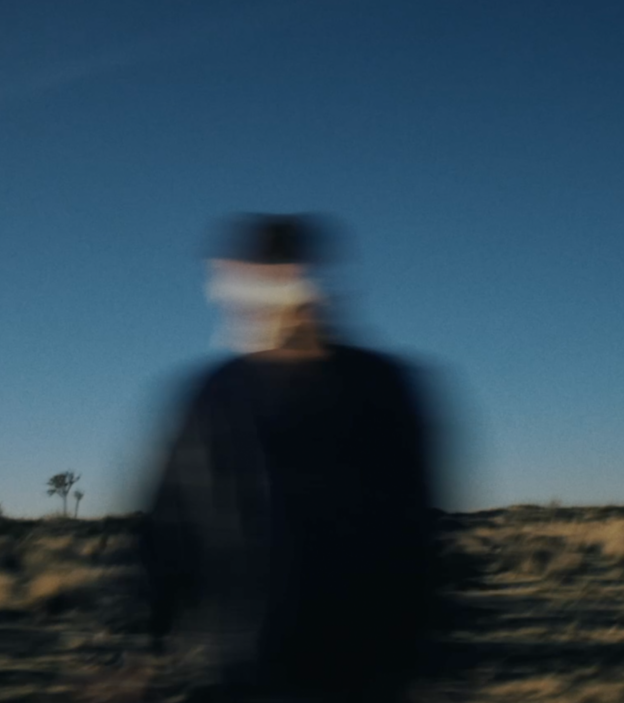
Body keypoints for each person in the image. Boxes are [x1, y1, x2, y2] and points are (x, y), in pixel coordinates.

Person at [137, 214, 448, 703]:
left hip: (363, 667)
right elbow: (167, 526)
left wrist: (420, 654)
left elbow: (419, 532)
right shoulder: (215, 395)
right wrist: (138, 646)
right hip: (237, 668)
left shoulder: (381, 388)